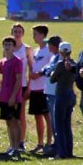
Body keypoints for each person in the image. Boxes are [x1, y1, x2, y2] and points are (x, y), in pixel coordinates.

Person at [27, 25, 53, 155]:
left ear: (43, 35)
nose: (34, 36)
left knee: (47, 116)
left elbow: (50, 67)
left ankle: (49, 143)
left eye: (36, 34)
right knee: (37, 117)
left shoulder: (49, 50)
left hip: (44, 87)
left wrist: (40, 74)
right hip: (35, 88)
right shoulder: (36, 50)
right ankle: (40, 143)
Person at [50, 42, 77, 159]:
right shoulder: (74, 63)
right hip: (71, 93)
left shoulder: (60, 64)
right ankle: (69, 150)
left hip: (61, 94)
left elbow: (52, 79)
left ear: (60, 52)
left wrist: (52, 72)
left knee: (59, 125)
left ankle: (61, 152)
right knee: (67, 124)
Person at [0, 36, 24, 155]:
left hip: (13, 96)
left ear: (14, 47)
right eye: (6, 44)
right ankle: (11, 145)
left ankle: (17, 146)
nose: (7, 47)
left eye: (9, 45)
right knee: (8, 121)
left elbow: (19, 79)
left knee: (14, 121)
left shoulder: (17, 61)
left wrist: (13, 96)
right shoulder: (2, 61)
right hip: (4, 96)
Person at [10, 23, 32, 152]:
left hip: (22, 84)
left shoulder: (26, 48)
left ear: (22, 34)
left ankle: (21, 141)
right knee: (12, 115)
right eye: (15, 31)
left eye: (19, 31)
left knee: (21, 114)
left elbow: (31, 67)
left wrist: (29, 86)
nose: (17, 34)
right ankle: (13, 141)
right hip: (11, 86)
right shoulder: (9, 48)